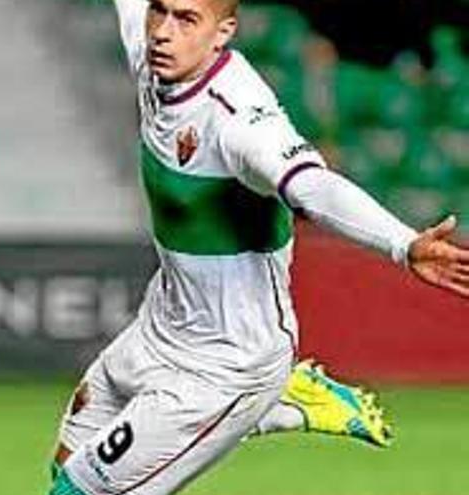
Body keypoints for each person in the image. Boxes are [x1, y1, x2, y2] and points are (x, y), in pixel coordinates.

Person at [47, 1, 469, 494]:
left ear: (223, 31)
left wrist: (403, 243)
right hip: (160, 327)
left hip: (228, 362)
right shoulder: (153, 50)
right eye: (159, 12)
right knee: (67, 468)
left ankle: (263, 401)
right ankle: (287, 404)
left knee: (79, 493)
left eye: (186, 20)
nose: (163, 32)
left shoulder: (239, 120)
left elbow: (313, 188)